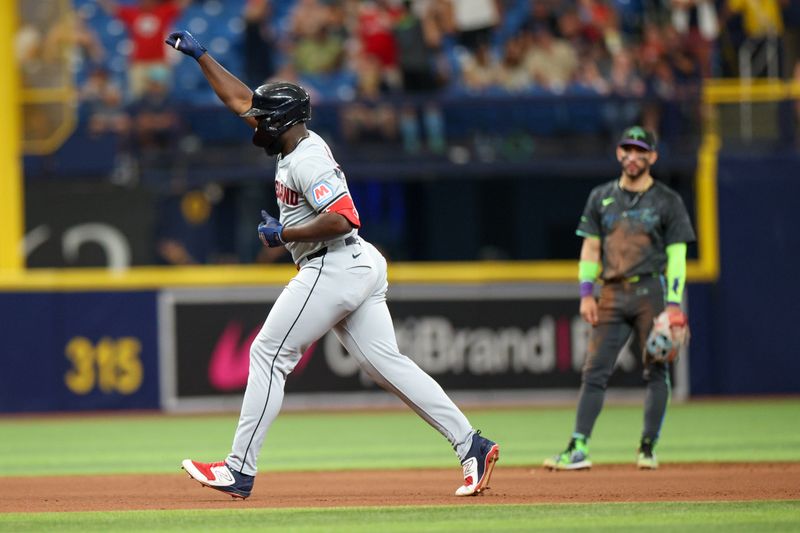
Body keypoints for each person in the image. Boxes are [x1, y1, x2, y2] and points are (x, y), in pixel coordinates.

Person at [165, 29, 499, 499]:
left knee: (267, 353)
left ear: (281, 124)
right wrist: (202, 56)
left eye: (263, 120)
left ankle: (239, 469)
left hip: (333, 264)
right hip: (356, 266)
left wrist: (285, 235)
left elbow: (345, 217)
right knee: (387, 365)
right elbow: (242, 99)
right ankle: (472, 444)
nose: (254, 123)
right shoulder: (290, 142)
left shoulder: (307, 160)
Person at [543, 126, 696, 471]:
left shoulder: (667, 201)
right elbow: (591, 248)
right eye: (627, 149)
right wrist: (586, 294)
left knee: (657, 369)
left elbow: (676, 257)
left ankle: (648, 447)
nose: (633, 155)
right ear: (618, 153)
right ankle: (578, 446)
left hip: (650, 292)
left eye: (640, 150)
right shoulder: (601, 196)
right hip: (611, 291)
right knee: (594, 372)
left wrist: (673, 305)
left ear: (653, 157)